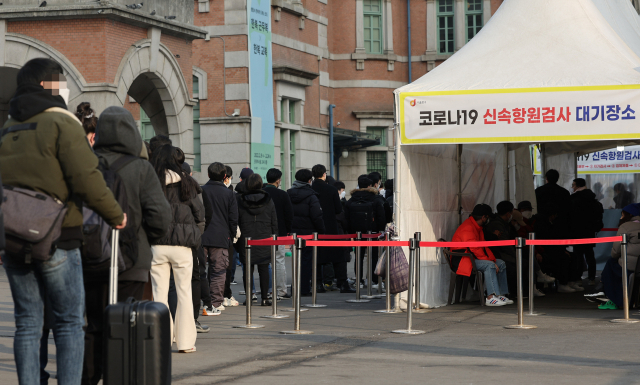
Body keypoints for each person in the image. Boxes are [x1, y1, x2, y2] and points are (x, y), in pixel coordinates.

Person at [0, 58, 127, 383]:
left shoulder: (10, 127)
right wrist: (116, 214)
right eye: (59, 81)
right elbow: (87, 177)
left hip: (14, 238)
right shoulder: (62, 122)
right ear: (47, 84)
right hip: (59, 237)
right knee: (70, 322)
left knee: (28, 322)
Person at [80, 106, 172, 383]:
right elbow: (160, 216)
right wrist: (147, 239)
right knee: (125, 321)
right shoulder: (141, 167)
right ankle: (120, 374)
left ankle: (87, 377)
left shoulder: (84, 162)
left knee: (93, 324)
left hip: (89, 256)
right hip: (131, 258)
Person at [149, 145, 205, 354]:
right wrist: (195, 236)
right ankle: (185, 342)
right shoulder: (188, 182)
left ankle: (161, 339)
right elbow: (200, 215)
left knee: (159, 294)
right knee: (184, 292)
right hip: (183, 245)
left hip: (157, 243)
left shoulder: (152, 181)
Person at [451, 204, 513, 306]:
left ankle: (500, 294)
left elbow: (484, 247)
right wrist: (490, 262)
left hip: (471, 258)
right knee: (490, 265)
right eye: (488, 217)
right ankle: (491, 297)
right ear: (483, 217)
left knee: (500, 263)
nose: (488, 220)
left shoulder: (477, 227)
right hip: (462, 260)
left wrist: (492, 260)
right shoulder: (468, 227)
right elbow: (475, 249)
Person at [201, 162, 239, 315]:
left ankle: (200, 301)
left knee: (199, 271)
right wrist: (230, 235)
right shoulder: (229, 194)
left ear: (208, 174)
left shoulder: (201, 190)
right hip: (221, 236)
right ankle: (214, 303)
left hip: (202, 236)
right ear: (225, 177)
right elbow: (233, 218)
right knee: (218, 271)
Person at [237, 173, 279, 306]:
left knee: (247, 269)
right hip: (265, 237)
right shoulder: (268, 200)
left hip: (247, 237)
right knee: (264, 268)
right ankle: (265, 298)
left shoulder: (240, 200)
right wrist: (275, 239)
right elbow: (274, 221)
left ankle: (249, 297)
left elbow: (237, 220)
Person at [311, 165, 350, 293]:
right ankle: (342, 283)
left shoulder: (311, 189)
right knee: (338, 255)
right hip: (330, 226)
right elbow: (338, 209)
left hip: (314, 227)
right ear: (324, 174)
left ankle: (318, 284)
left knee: (317, 256)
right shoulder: (331, 189)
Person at [288, 169, 326, 295]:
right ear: (310, 181)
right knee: (306, 261)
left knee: (295, 261)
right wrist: (321, 231)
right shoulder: (312, 196)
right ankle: (304, 288)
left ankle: (294, 288)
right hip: (309, 234)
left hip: (293, 233)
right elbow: (317, 216)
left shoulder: (288, 194)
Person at [344, 175, 386, 284]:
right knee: (373, 256)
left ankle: (358, 279)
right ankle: (373, 279)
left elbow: (346, 217)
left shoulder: (352, 199)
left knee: (359, 256)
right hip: (373, 232)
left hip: (357, 233)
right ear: (370, 186)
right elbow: (381, 216)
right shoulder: (375, 198)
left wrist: (350, 232)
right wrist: (381, 230)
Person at [598, 204, 640, 309]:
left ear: (629, 215)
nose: (621, 217)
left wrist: (614, 256)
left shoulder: (626, 226)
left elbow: (616, 251)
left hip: (630, 266)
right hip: (638, 265)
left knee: (611, 263)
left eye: (622, 215)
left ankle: (607, 294)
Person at [264, 168, 294, 299]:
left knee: (264, 263)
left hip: (263, 233)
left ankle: (267, 289)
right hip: (279, 233)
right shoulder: (283, 194)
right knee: (279, 260)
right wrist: (288, 229)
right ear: (278, 180)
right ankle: (281, 290)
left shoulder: (261, 193)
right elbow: (289, 215)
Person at [569, 178, 604, 286]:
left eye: (573, 185)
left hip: (577, 231)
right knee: (589, 254)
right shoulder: (592, 198)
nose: (572, 187)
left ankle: (578, 277)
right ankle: (592, 277)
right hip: (589, 231)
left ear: (578, 186)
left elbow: (570, 216)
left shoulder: (574, 199)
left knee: (578, 255)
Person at [533, 204, 575, 293]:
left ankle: (566, 282)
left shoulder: (545, 223)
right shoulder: (543, 224)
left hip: (545, 249)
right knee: (564, 258)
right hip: (544, 249)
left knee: (568, 256)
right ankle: (563, 283)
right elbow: (548, 241)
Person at [222, 165, 241, 307]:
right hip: (226, 235)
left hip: (212, 235)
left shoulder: (205, 190)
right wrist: (233, 233)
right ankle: (224, 295)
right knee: (225, 267)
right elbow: (233, 217)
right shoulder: (230, 194)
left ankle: (221, 295)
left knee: (216, 267)